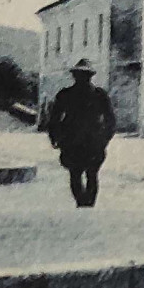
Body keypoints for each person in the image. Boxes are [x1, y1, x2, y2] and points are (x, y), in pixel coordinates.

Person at [46, 58, 116, 207]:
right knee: (86, 175)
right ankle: (85, 204)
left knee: (80, 175)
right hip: (82, 142)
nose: (82, 79)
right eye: (80, 75)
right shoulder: (94, 95)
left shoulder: (95, 95)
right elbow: (54, 119)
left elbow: (54, 120)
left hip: (82, 142)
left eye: (84, 76)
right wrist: (105, 138)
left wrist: (105, 138)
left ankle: (84, 204)